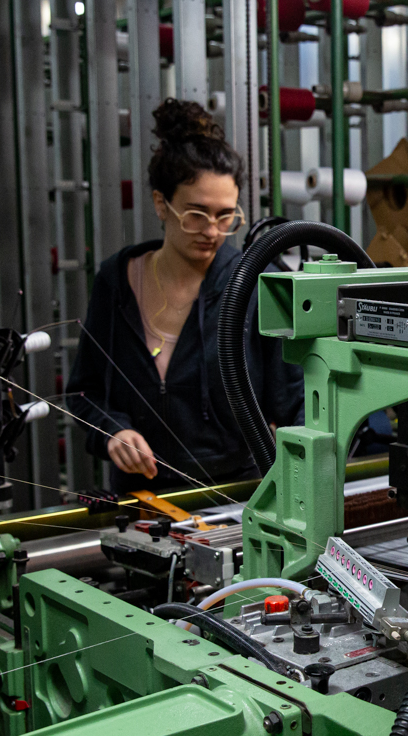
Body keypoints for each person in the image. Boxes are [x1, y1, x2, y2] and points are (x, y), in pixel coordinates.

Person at [66, 99, 303, 493]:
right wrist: (113, 433)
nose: (212, 230)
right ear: (162, 204)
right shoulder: (115, 281)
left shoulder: (255, 284)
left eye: (226, 216)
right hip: (140, 494)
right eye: (196, 214)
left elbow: (294, 404)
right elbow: (84, 391)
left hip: (238, 494)